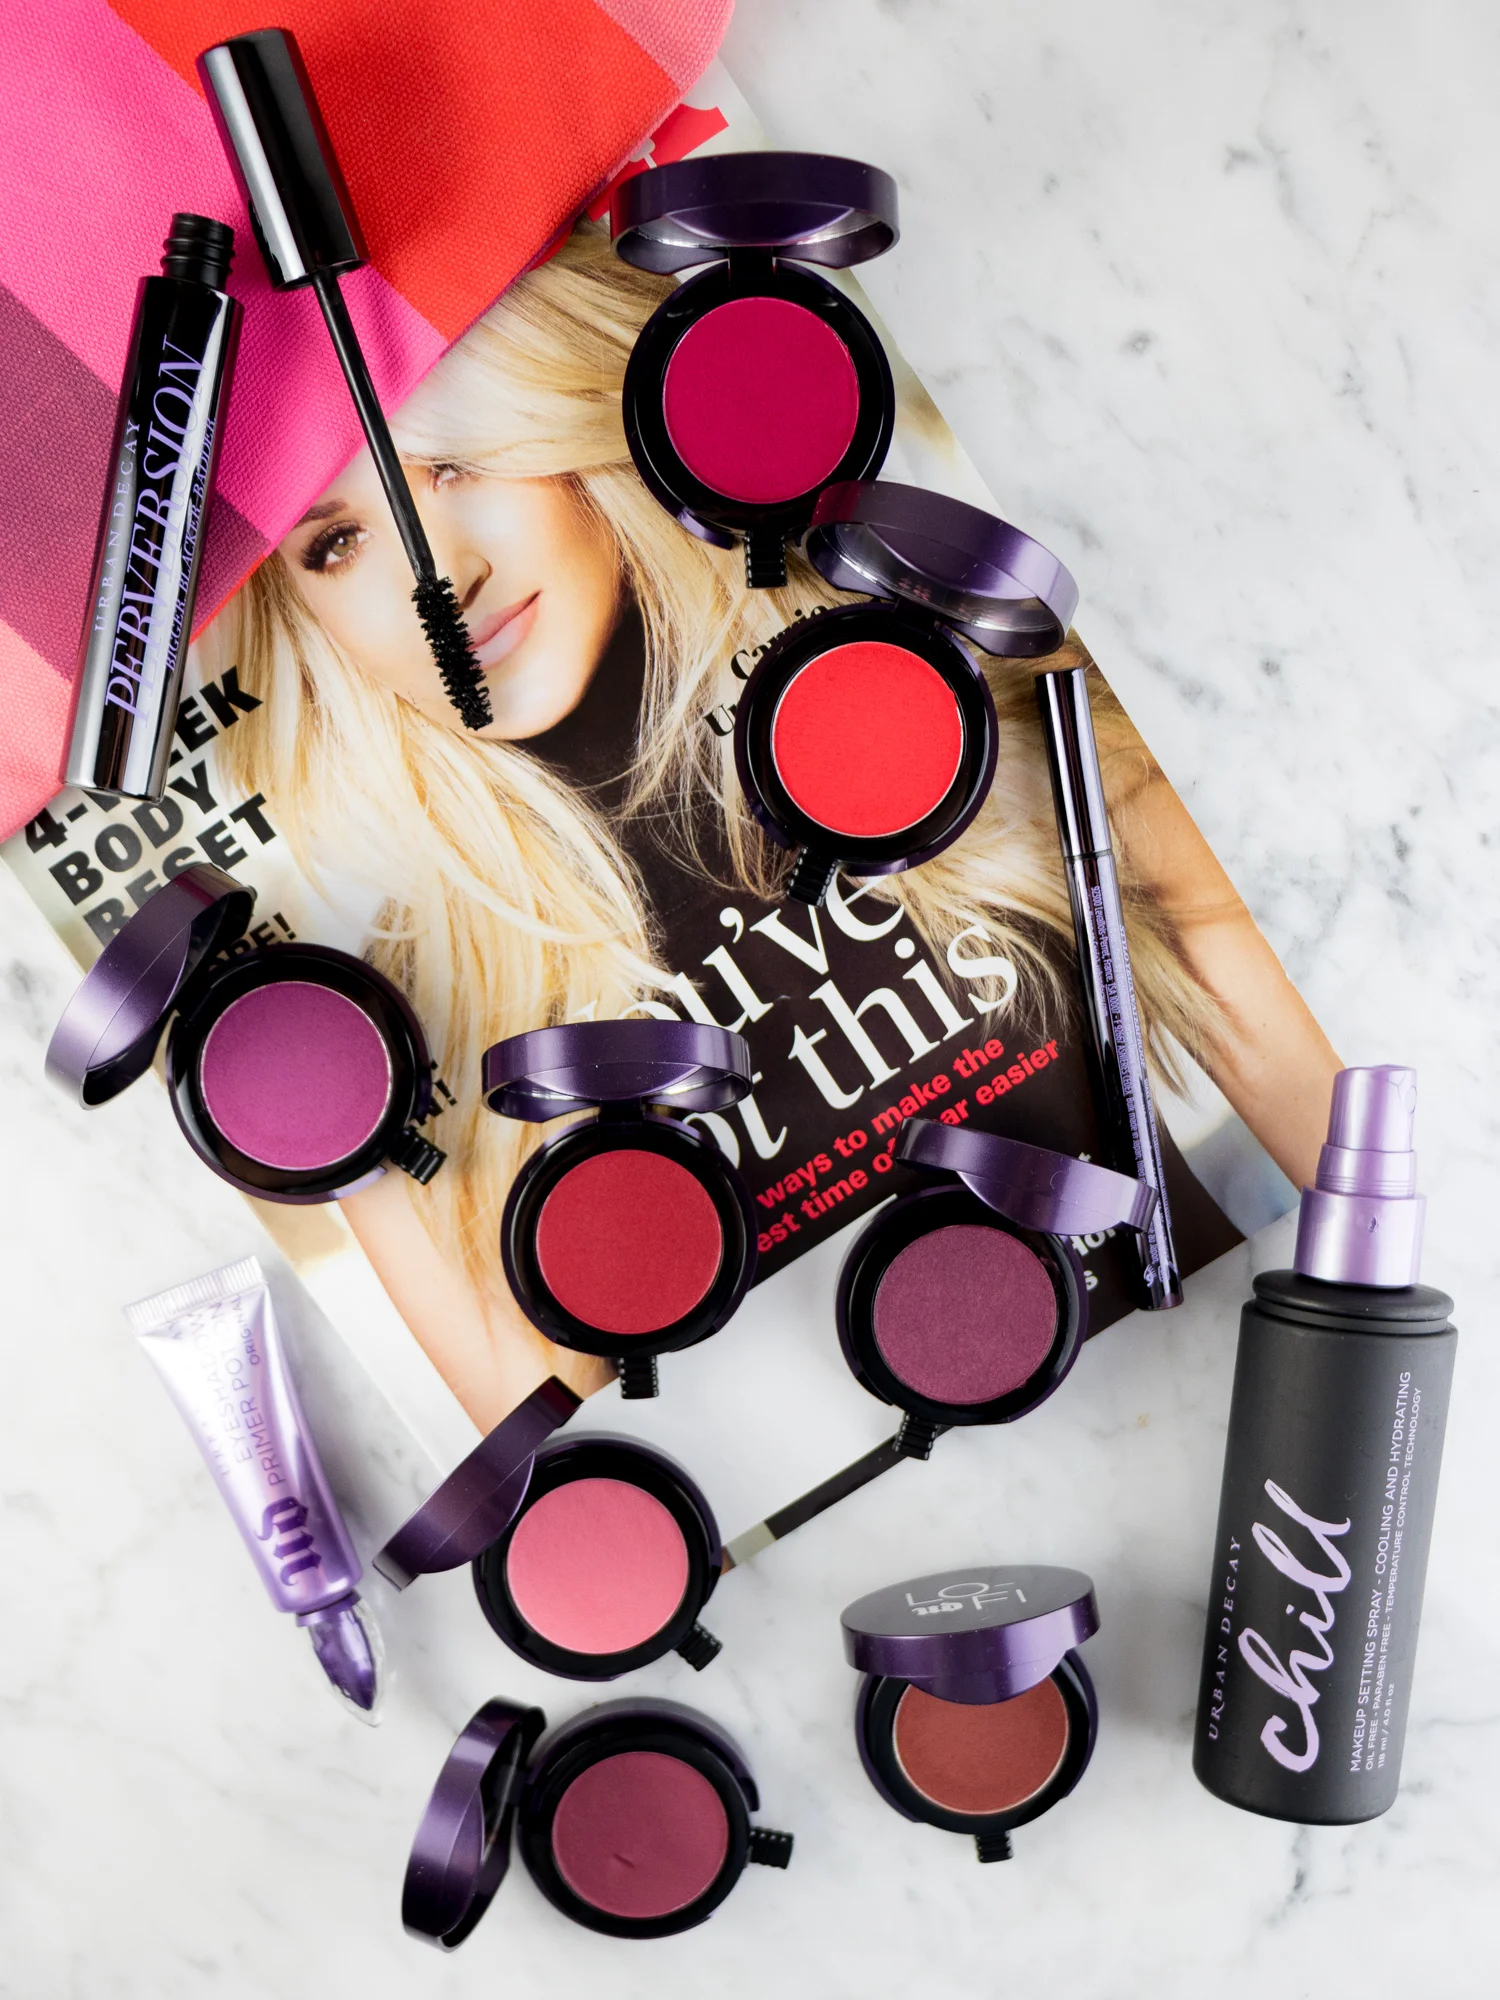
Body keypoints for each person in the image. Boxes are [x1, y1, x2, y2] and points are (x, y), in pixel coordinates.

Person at [205, 226, 1338, 1429]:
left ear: (565, 409)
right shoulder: (411, 1014)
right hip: (862, 1518)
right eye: (337, 542)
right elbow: (560, 1460)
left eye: (459, 464)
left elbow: (1309, 1111)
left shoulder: (914, 675)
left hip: (1206, 1377)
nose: (444, 578)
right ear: (304, 616)